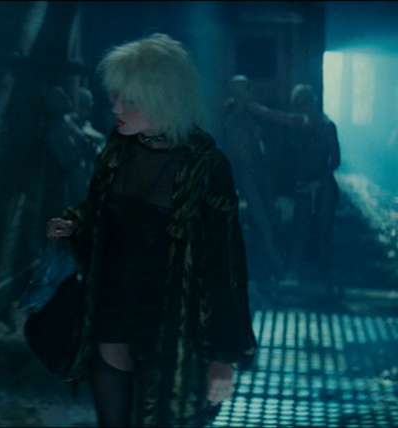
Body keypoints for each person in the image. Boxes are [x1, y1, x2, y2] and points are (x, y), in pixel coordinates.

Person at [44, 33, 258, 427]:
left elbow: (225, 264)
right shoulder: (119, 148)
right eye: (114, 96)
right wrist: (76, 222)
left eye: (129, 100)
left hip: (173, 329)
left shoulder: (205, 166)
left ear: (164, 99)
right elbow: (104, 210)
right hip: (112, 314)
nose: (115, 107)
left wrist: (224, 357)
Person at [247, 84, 341, 290]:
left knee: (324, 231)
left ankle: (325, 278)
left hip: (324, 187)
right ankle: (294, 275)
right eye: (299, 104)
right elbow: (270, 114)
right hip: (305, 186)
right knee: (300, 229)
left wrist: (319, 182)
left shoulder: (328, 126)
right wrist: (245, 104)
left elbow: (335, 161)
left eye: (305, 102)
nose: (303, 107)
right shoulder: (299, 122)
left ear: (314, 101)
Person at [222, 75, 287, 285]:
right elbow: (238, 154)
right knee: (264, 224)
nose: (253, 92)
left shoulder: (249, 118)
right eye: (248, 88)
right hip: (248, 176)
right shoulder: (231, 120)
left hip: (260, 173)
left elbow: (256, 149)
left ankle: (272, 270)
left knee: (271, 219)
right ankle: (279, 270)